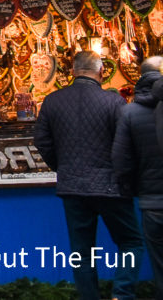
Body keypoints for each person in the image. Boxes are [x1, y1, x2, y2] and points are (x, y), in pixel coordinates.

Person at [35, 50, 143, 300]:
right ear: (101, 72)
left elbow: (41, 140)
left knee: (82, 251)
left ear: (72, 72)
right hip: (110, 187)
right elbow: (126, 144)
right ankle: (122, 293)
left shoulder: (53, 101)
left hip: (73, 188)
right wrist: (123, 174)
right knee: (130, 242)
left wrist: (62, 166)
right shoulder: (114, 101)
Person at [113, 56, 163, 294]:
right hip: (151, 198)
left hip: (152, 202)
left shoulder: (130, 112)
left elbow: (122, 160)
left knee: (159, 265)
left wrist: (130, 189)